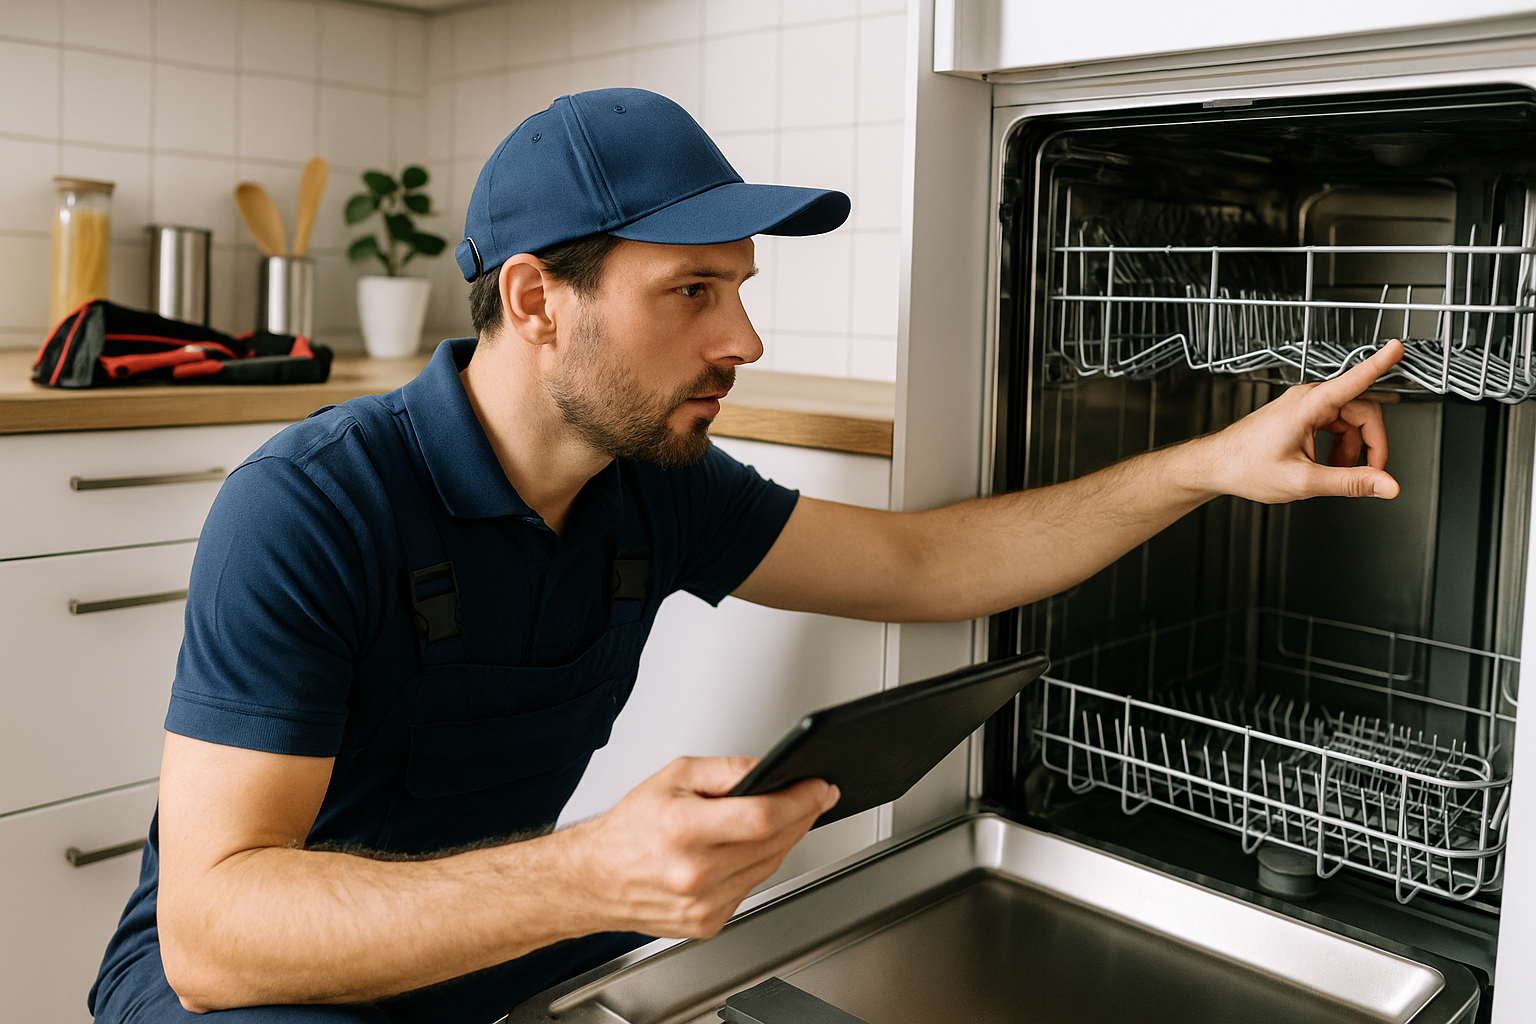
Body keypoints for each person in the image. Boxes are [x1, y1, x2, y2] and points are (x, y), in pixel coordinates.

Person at [87, 88, 1405, 1024]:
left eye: (742, 290)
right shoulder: (314, 504)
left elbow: (926, 569)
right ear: (540, 300)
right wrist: (588, 870)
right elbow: (215, 938)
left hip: (505, 945)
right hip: (255, 988)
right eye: (691, 294)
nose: (744, 341)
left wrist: (1210, 464)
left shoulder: (650, 485)